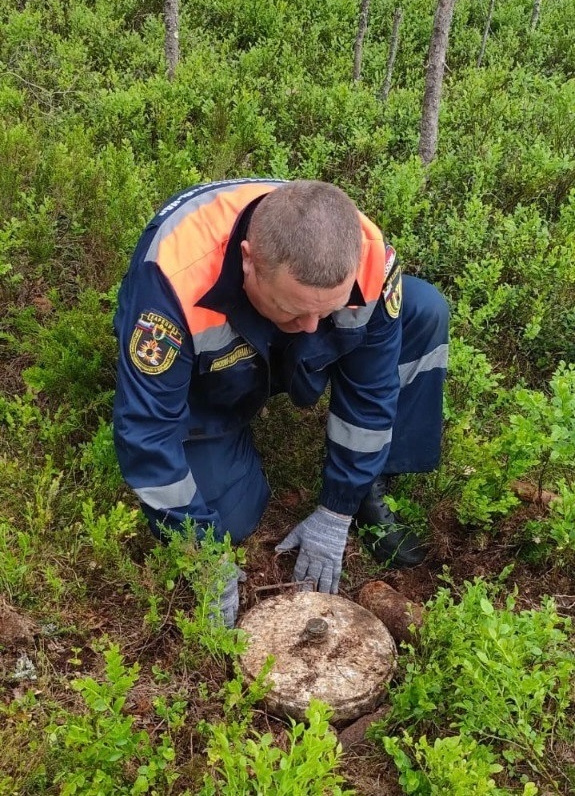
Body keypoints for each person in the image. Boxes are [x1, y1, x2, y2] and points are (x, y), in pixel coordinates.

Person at [113, 179, 448, 626]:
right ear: (249, 260)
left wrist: (337, 509)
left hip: (282, 346)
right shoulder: (171, 280)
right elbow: (146, 433)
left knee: (424, 310)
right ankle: (227, 426)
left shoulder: (368, 256)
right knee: (231, 520)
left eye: (328, 309)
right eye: (295, 309)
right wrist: (205, 554)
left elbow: (371, 392)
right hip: (211, 377)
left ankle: (371, 480)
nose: (313, 326)